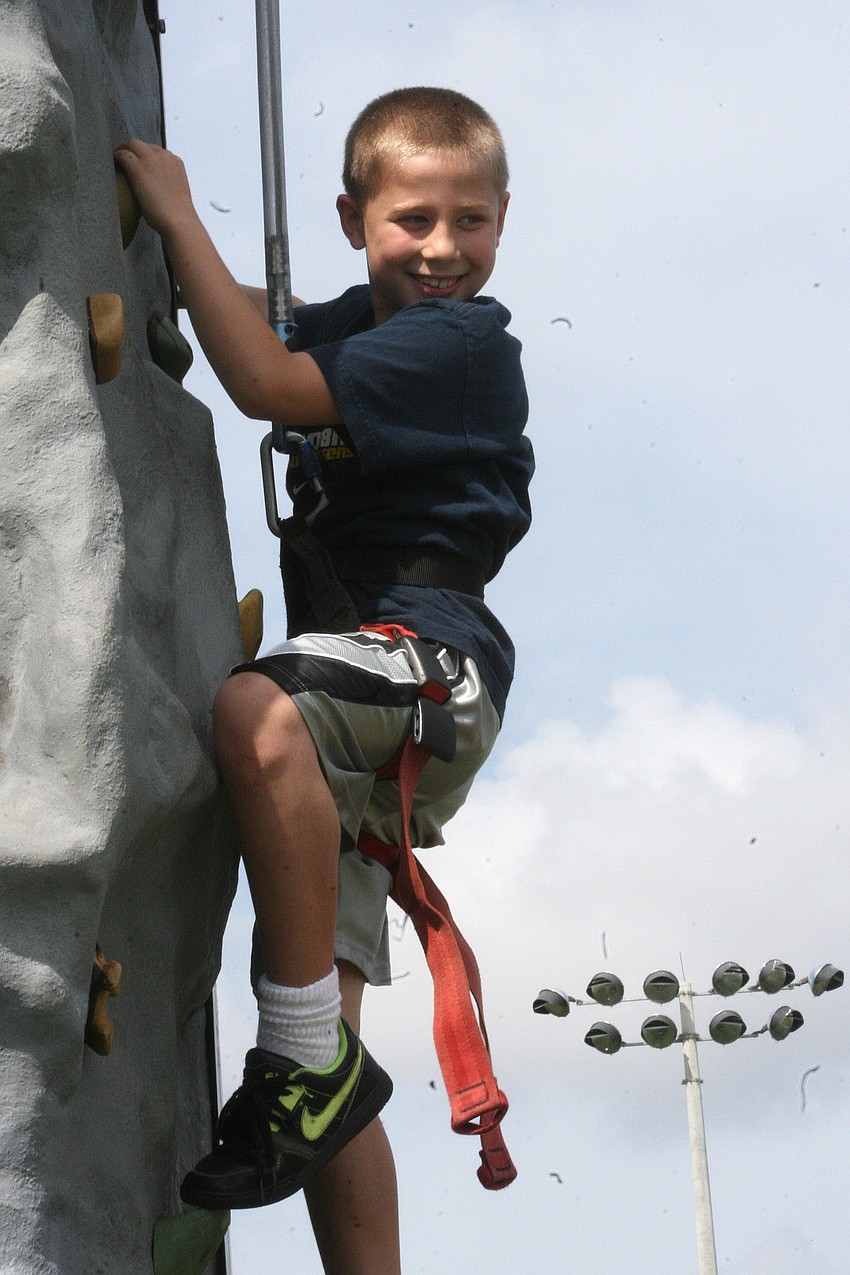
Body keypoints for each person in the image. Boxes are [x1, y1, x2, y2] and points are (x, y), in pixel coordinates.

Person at [116, 85, 533, 1275]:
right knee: (324, 1048)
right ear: (354, 221)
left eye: (469, 221)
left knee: (251, 709)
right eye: (412, 221)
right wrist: (141, 248)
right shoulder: (361, 319)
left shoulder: (457, 344)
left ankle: (300, 1058)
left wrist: (177, 214)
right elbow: (242, 317)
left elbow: (265, 384)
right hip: (361, 709)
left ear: (504, 222)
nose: (443, 248)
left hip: (423, 662)